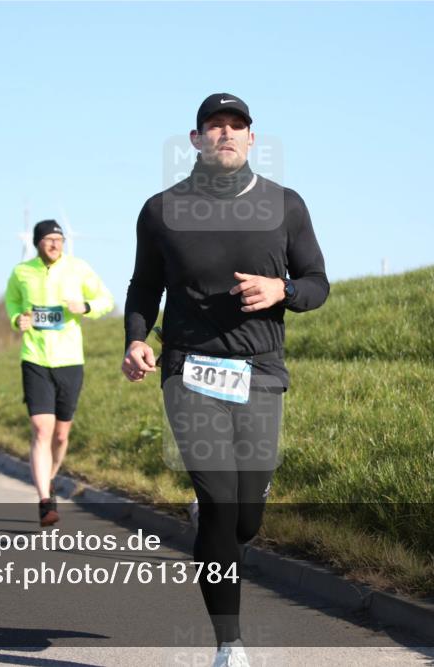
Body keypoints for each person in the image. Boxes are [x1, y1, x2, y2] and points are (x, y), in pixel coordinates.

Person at [121, 93, 329, 667]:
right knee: (217, 504)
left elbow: (317, 282)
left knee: (245, 517)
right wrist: (137, 339)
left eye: (237, 126)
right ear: (195, 140)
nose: (226, 134)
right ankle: (229, 646)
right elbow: (144, 289)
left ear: (252, 139)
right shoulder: (161, 210)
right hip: (189, 370)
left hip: (260, 372)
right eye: (215, 127)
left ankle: (228, 517)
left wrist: (281, 290)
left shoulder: (284, 206)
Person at [5, 220, 113, 527]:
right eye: (49, 239)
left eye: (59, 239)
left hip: (69, 360)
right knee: (41, 430)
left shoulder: (78, 268)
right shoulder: (21, 272)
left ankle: (50, 479)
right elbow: (12, 302)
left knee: (62, 435)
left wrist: (86, 306)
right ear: (37, 243)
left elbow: (107, 300)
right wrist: (17, 320)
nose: (55, 244)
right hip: (35, 358)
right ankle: (44, 500)